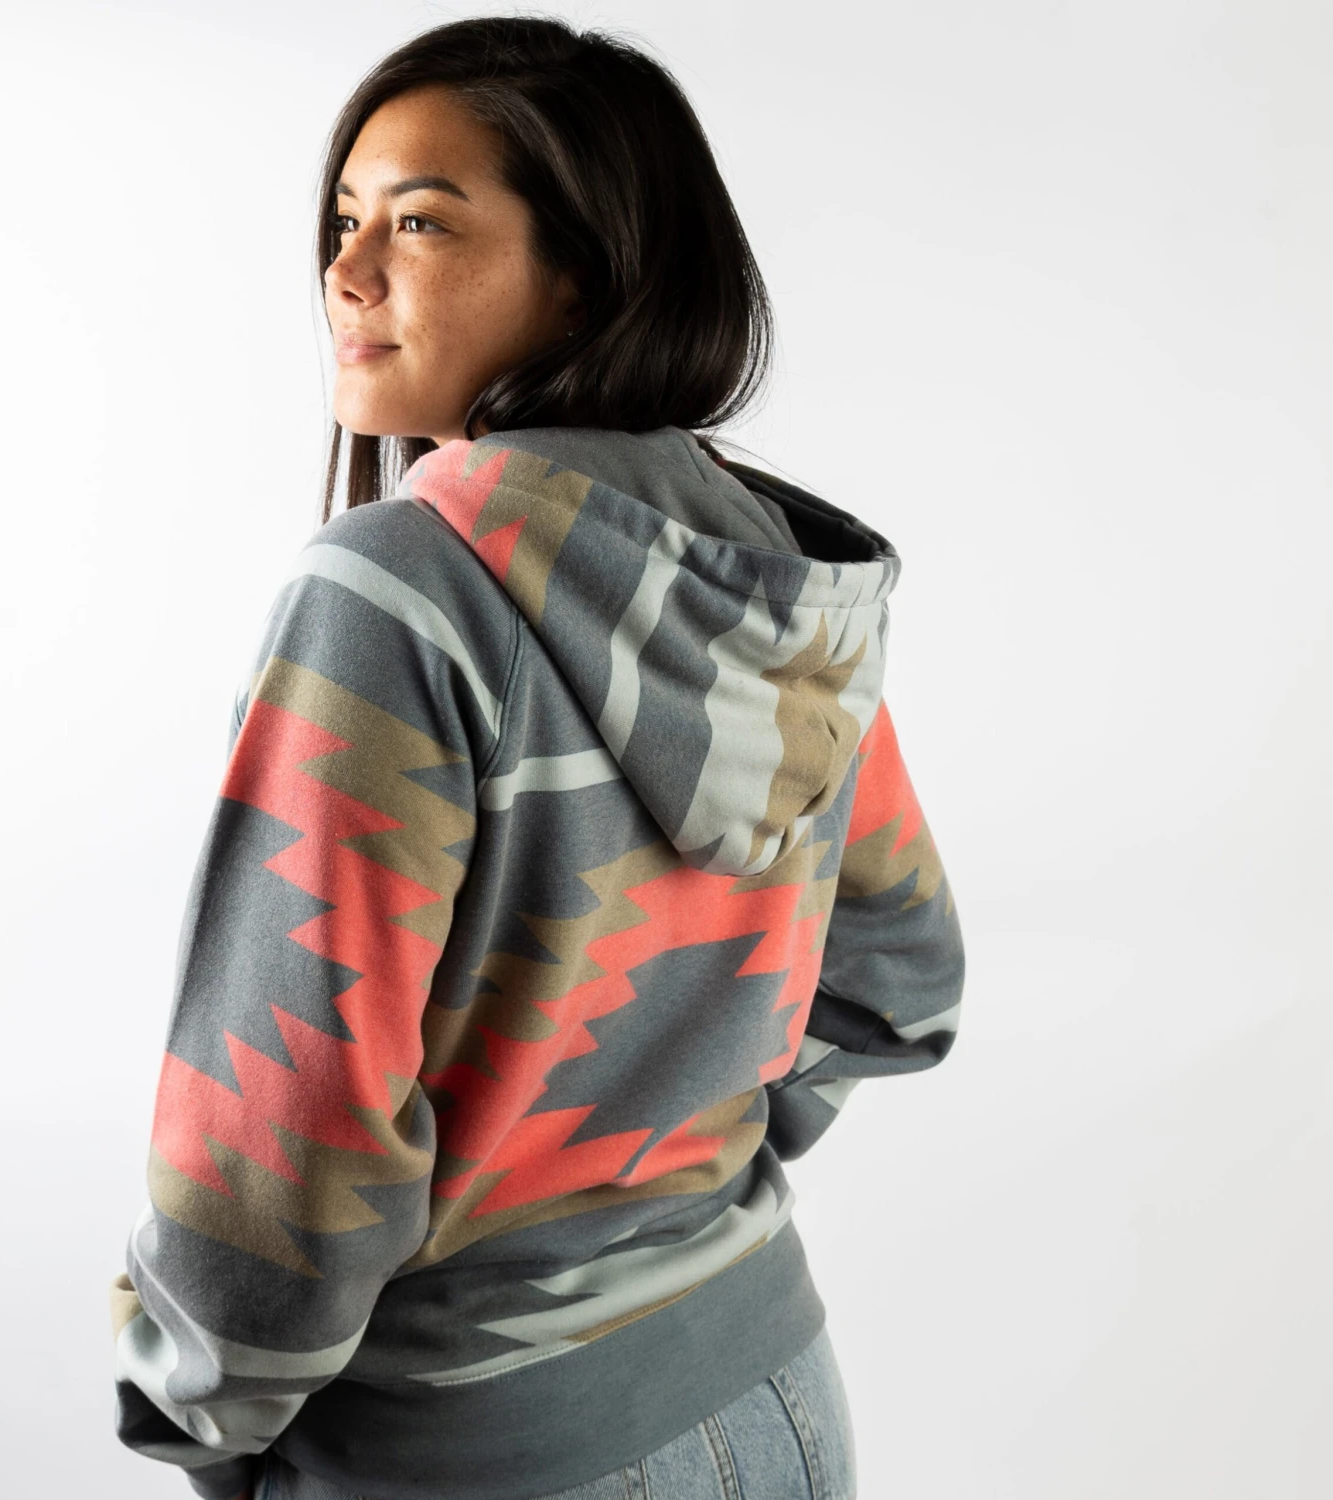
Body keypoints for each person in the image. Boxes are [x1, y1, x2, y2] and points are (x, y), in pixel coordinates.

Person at [109, 16, 964, 1500]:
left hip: (474, 1447)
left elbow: (290, 1133)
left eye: (420, 222)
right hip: (774, 1394)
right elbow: (903, 976)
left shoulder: (390, 592)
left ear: (583, 277)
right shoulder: (755, 568)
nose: (346, 272)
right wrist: (666, 1165)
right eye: (344, 219)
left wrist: (199, 1417)